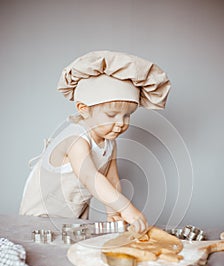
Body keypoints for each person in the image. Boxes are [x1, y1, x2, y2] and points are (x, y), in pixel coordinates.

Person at [19, 50, 171, 233]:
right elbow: (90, 177)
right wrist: (125, 207)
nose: (121, 123)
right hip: (39, 220)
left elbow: (112, 179)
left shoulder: (109, 143)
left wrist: (113, 211)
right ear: (83, 109)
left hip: (71, 218)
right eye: (111, 115)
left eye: (128, 115)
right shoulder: (75, 139)